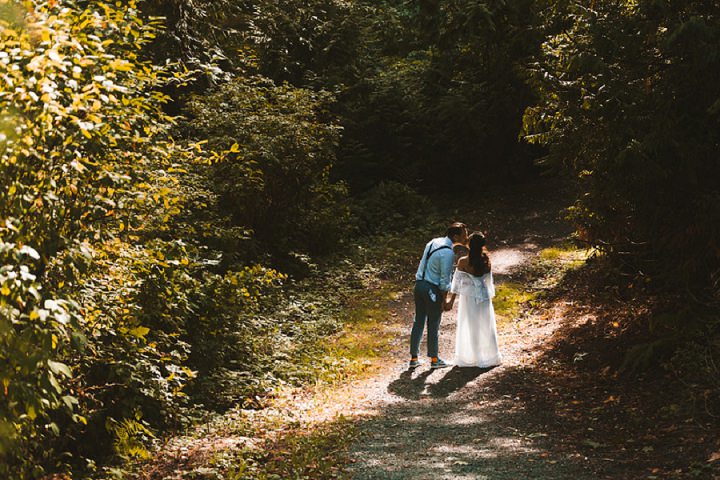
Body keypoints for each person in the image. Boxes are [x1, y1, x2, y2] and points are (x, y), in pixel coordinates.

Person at [409, 222, 467, 369]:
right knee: (433, 323)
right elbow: (444, 280)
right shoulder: (448, 253)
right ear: (455, 236)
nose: (466, 236)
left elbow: (423, 263)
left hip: (419, 285)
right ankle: (434, 359)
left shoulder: (433, 242)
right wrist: (445, 300)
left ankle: (414, 358)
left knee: (419, 321)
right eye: (464, 234)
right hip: (431, 289)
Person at [444, 232, 502, 368]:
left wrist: (450, 301)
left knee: (469, 325)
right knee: (484, 324)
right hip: (483, 297)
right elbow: (487, 281)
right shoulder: (486, 260)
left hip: (469, 297)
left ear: (469, 245)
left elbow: (456, 284)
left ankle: (470, 356)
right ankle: (487, 356)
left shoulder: (463, 261)